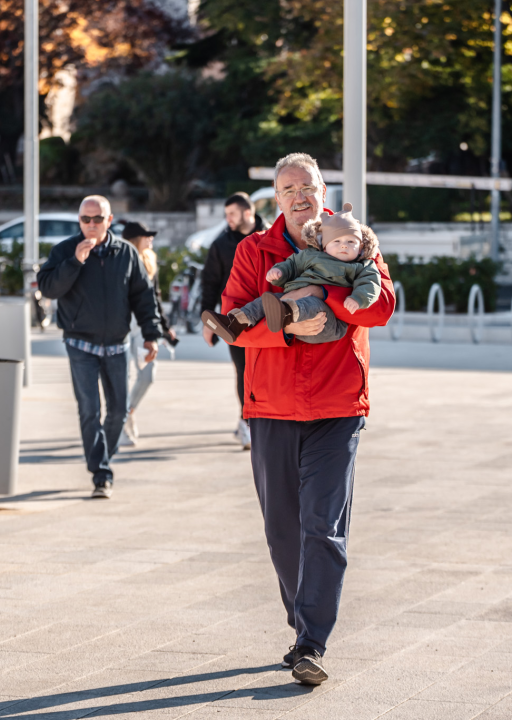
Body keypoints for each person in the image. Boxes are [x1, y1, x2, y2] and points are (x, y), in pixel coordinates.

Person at [221, 153, 395, 685]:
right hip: (271, 405)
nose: (299, 196)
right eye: (287, 189)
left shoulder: (357, 241)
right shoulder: (257, 250)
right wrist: (289, 329)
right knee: (282, 531)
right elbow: (233, 321)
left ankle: (311, 641)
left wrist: (329, 300)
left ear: (323, 192)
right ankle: (302, 622)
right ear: (277, 199)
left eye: (307, 186)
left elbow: (380, 305)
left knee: (323, 525)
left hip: (338, 408)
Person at [37, 196, 162, 499]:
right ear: (79, 220)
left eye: (97, 219)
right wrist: (75, 262)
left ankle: (101, 457)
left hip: (117, 345)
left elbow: (144, 297)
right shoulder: (65, 250)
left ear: (109, 220)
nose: (91, 225)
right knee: (90, 410)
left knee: (118, 411)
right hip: (80, 343)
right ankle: (101, 473)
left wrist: (151, 334)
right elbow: (48, 287)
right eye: (85, 219)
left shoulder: (127, 253)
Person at [202, 203, 381, 345]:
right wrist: (279, 272)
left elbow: (371, 284)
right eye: (337, 241)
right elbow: (292, 265)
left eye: (351, 242)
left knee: (311, 302)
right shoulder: (312, 255)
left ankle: (285, 313)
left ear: (360, 248)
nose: (344, 245)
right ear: (325, 246)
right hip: (292, 309)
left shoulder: (362, 265)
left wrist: (357, 298)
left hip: (327, 324)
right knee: (265, 300)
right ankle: (235, 323)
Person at [199, 192, 266, 450]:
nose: (227, 220)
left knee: (264, 371)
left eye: (232, 214)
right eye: (226, 215)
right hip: (233, 321)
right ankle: (246, 421)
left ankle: (264, 421)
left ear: (247, 213)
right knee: (244, 372)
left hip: (266, 318)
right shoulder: (221, 245)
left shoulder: (271, 236)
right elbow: (210, 284)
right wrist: (207, 321)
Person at [119, 221, 178, 447]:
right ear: (135, 239)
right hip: (123, 326)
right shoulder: (121, 260)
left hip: (143, 326)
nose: (151, 239)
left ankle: (128, 410)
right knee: (122, 378)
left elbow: (155, 297)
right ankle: (122, 424)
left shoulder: (150, 261)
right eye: (147, 236)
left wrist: (163, 326)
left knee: (148, 375)